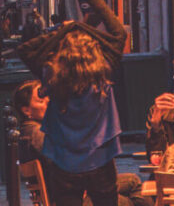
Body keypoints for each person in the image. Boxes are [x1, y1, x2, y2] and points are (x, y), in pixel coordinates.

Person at [14, 80, 148, 206]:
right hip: (73, 195)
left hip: (77, 188)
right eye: (41, 100)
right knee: (131, 199)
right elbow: (62, 163)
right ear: (26, 110)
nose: (48, 101)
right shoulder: (36, 133)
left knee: (132, 181)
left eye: (48, 97)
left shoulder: (34, 130)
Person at [36, 27, 123, 206]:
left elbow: (27, 50)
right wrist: (81, 25)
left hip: (64, 160)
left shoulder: (52, 78)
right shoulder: (103, 75)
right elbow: (119, 34)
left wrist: (65, 30)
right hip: (99, 156)